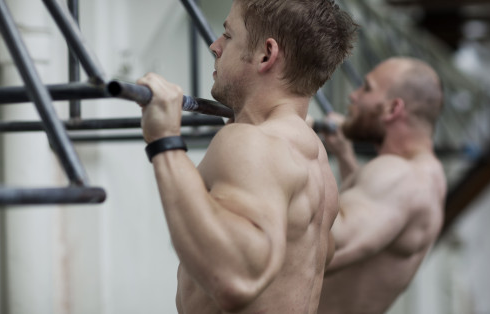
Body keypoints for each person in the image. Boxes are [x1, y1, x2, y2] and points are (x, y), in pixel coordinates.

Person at [137, 0, 357, 313]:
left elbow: (235, 281)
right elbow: (300, 262)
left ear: (267, 54)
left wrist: (164, 142)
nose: (215, 46)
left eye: (228, 35)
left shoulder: (254, 144)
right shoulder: (313, 157)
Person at [316, 57, 447, 314]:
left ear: (392, 109)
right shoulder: (428, 173)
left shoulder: (398, 176)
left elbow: (325, 247)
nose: (353, 96)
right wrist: (345, 156)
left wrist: (301, 150)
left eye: (366, 88)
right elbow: (374, 217)